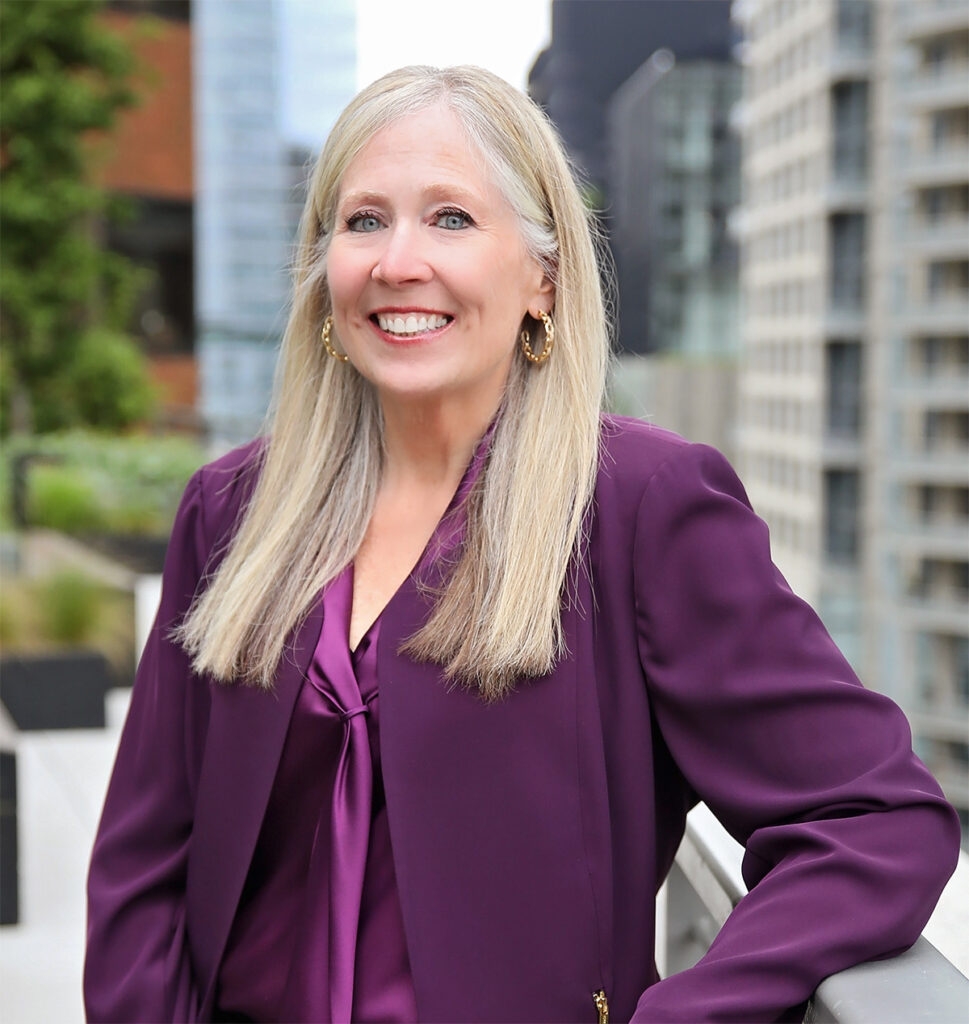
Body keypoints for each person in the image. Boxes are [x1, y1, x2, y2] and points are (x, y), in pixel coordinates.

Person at [84, 65, 959, 1024]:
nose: (396, 261)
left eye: (451, 218)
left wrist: (682, 1015)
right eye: (363, 220)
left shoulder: (641, 508)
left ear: (541, 278)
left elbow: (872, 817)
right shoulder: (230, 510)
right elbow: (145, 859)